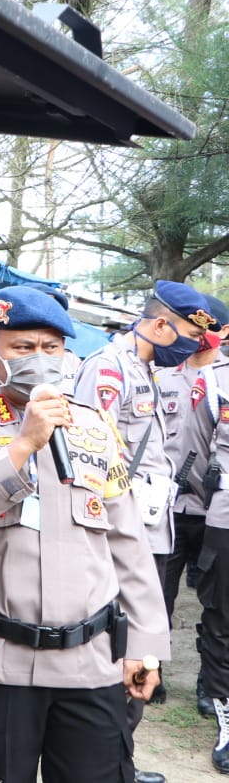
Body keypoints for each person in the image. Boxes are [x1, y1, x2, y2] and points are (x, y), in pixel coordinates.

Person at [0, 285, 169, 783]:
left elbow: (127, 543)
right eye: (23, 348)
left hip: (90, 663)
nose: (41, 359)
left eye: (51, 348)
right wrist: (21, 448)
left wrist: (146, 642)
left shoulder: (95, 427)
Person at [75, 279, 218, 783]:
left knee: (136, 649)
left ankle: (121, 761)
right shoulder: (108, 370)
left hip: (149, 530)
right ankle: (111, 765)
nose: (188, 347)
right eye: (183, 334)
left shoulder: (146, 369)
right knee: (119, 646)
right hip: (119, 533)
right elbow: (87, 456)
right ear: (160, 325)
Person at [154, 294, 229, 718]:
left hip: (216, 511)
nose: (201, 337)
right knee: (155, 596)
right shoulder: (161, 375)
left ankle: (211, 686)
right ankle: (151, 670)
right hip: (167, 510)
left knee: (217, 605)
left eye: (209, 328)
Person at [195, 297, 229, 772]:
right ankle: (227, 720)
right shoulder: (214, 380)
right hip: (225, 515)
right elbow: (202, 448)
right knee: (222, 618)